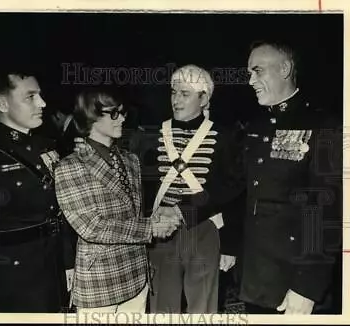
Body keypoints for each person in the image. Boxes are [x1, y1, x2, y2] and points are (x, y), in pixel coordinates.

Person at [55, 88, 179, 313]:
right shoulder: (70, 166)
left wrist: (157, 216)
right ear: (91, 116)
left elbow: (131, 213)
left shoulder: (131, 160)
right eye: (114, 113)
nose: (122, 118)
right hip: (100, 281)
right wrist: (150, 227)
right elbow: (92, 227)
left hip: (137, 276)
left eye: (122, 112)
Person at [240, 40, 342, 314]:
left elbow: (328, 211)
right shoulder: (256, 126)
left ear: (284, 69)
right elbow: (238, 189)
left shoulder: (324, 126)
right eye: (250, 72)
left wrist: (307, 287)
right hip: (258, 277)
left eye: (257, 70)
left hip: (296, 282)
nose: (250, 80)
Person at [0, 69, 75, 312]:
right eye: (30, 97)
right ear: (2, 103)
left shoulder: (46, 146)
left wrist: (67, 262)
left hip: (50, 269)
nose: (42, 103)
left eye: (41, 95)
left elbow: (59, 214)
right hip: (9, 281)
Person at [144, 64, 246, 313]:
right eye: (173, 92)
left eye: (184, 94)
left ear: (204, 99)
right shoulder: (154, 135)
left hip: (204, 230)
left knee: (203, 307)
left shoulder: (224, 136)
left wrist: (230, 246)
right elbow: (145, 187)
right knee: (161, 307)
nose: (176, 100)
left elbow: (233, 190)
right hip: (161, 232)